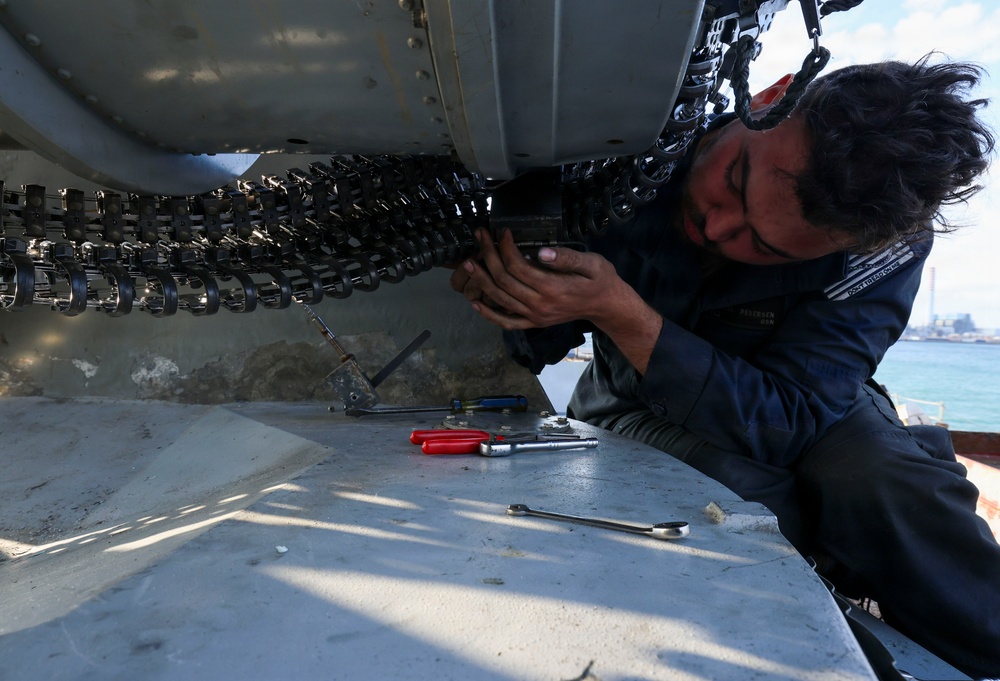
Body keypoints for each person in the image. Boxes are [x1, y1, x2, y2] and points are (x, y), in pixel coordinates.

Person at [449, 57, 1000, 678]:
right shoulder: (618, 158)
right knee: (740, 490)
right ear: (769, 97)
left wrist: (623, 311)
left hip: (805, 400)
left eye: (762, 247)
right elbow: (533, 348)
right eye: (734, 179)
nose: (715, 225)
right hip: (631, 397)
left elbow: (791, 418)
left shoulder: (882, 243)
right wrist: (513, 292)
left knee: (893, 483)